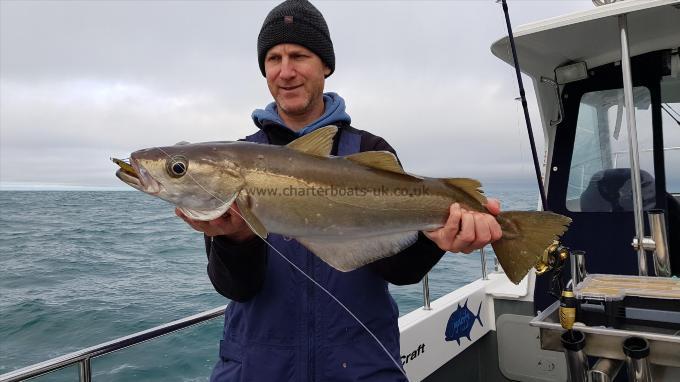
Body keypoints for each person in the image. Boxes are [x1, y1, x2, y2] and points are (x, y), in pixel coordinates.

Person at [176, 1, 502, 380]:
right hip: (260, 367)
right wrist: (237, 239)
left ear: (325, 65)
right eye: (273, 58)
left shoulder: (369, 150)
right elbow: (237, 288)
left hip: (360, 366)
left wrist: (437, 240)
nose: (285, 71)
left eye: (299, 55)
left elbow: (398, 270)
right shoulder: (234, 161)